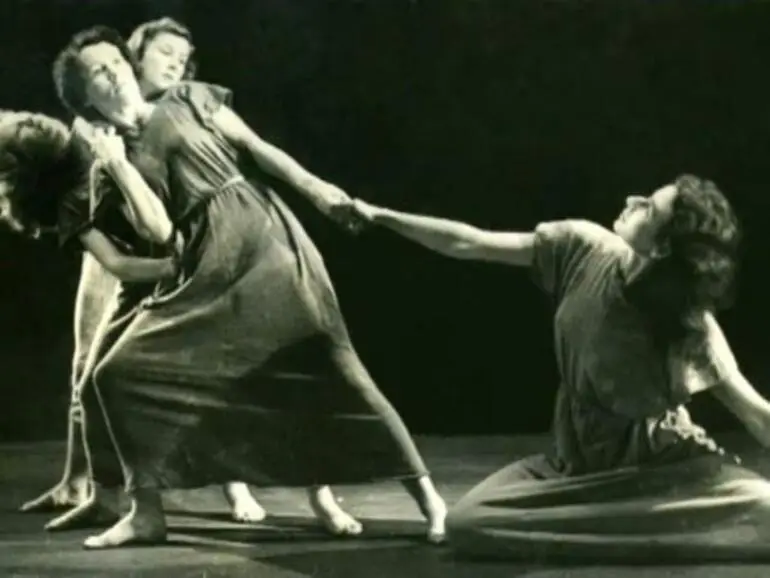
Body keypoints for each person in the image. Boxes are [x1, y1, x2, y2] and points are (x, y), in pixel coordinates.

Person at [48, 25, 446, 550]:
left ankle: (429, 499)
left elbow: (258, 147)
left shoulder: (190, 97)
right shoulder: (107, 162)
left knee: (335, 365)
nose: (115, 72)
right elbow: (160, 233)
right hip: (202, 261)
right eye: (99, 72)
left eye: (118, 62)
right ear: (85, 97)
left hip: (263, 238)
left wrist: (319, 190)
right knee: (116, 372)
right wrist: (119, 167)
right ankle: (147, 513)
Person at [350, 176, 770, 562]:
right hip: (575, 464)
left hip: (659, 472)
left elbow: (755, 413)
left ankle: (619, 534)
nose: (632, 201)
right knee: (468, 522)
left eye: (649, 208)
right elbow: (470, 243)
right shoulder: (582, 247)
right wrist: (383, 217)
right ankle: (629, 536)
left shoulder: (687, 324)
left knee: (763, 505)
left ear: (661, 247)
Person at [19, 17, 269, 528]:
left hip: (175, 247)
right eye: (164, 52)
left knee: (203, 365)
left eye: (182, 55)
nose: (175, 62)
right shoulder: (99, 116)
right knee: (87, 367)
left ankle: (233, 484)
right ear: (138, 56)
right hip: (116, 252)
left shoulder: (184, 105)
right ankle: (79, 482)